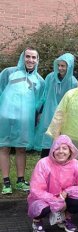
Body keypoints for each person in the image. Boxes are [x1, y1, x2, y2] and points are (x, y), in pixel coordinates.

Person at [0, 47, 45, 194]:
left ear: (37, 60)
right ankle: (6, 182)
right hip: (5, 117)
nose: (30, 60)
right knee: (4, 147)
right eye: (28, 56)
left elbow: (40, 101)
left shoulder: (40, 81)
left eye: (34, 57)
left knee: (21, 148)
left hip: (25, 120)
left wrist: (35, 115)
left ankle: (20, 180)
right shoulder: (9, 72)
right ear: (22, 57)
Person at [28, 135, 78, 232]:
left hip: (65, 197)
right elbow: (36, 189)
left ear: (70, 150)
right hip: (44, 199)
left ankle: (65, 218)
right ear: (52, 150)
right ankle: (37, 221)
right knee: (41, 208)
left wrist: (67, 192)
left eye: (65, 148)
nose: (61, 151)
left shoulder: (77, 165)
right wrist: (55, 200)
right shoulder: (43, 163)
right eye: (57, 148)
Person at [34, 53, 77, 158]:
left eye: (63, 66)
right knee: (47, 142)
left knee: (60, 145)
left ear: (69, 66)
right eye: (59, 65)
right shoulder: (50, 77)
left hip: (64, 118)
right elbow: (44, 95)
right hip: (48, 115)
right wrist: (38, 110)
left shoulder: (73, 82)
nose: (60, 68)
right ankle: (44, 168)